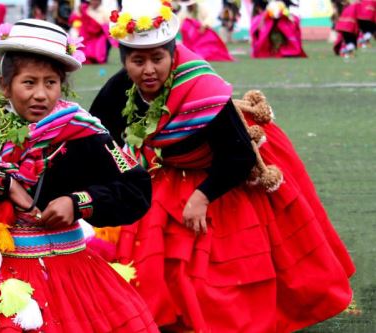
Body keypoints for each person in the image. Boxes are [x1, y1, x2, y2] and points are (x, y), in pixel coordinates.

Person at [89, 0, 355, 331]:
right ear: (124, 60)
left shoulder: (201, 87)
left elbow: (239, 157)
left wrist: (202, 197)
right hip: (173, 166)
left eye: (158, 58)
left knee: (222, 255)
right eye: (137, 60)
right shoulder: (121, 87)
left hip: (229, 166)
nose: (148, 70)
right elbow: (99, 135)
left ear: (173, 55)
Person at [0, 18, 158, 332]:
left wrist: (78, 203)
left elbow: (136, 188)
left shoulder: (84, 131)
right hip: (0, 265)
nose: (41, 94)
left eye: (51, 82)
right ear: (6, 85)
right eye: (29, 82)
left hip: (70, 268)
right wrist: (3, 182)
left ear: (62, 84)